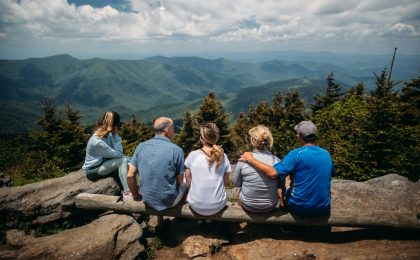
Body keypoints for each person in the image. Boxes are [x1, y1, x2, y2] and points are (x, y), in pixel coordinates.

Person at [240, 121, 333, 216]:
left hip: (300, 207)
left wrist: (250, 159)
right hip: (323, 207)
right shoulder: (326, 154)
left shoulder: (296, 154)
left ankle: (285, 220)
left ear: (298, 136)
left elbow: (273, 173)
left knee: (287, 189)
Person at [127, 117, 187, 211]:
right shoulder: (177, 150)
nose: (173, 132)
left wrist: (135, 195)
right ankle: (182, 210)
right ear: (167, 130)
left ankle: (159, 221)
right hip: (169, 202)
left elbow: (130, 176)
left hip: (146, 200)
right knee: (184, 184)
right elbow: (179, 182)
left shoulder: (141, 147)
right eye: (173, 129)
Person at [185, 122, 231, 216]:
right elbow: (225, 182)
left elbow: (188, 180)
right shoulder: (223, 156)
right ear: (216, 137)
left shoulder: (193, 155)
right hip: (218, 205)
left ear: (201, 138)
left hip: (196, 205)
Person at [233, 125, 280, 212]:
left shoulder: (244, 159)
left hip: (248, 205)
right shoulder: (276, 160)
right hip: (270, 206)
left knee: (239, 192)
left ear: (253, 141)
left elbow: (236, 183)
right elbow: (280, 185)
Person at [82, 111, 130, 197]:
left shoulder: (106, 134)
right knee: (123, 161)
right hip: (93, 170)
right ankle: (128, 192)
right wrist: (116, 136)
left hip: (103, 163)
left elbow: (116, 154)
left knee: (130, 159)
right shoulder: (98, 142)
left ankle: (138, 188)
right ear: (115, 125)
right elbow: (119, 154)